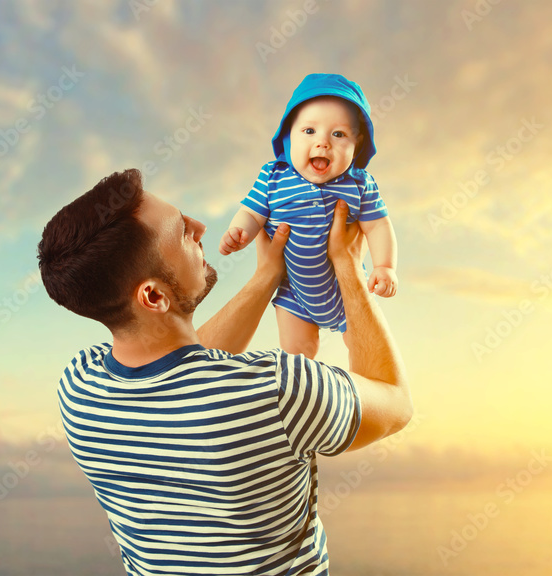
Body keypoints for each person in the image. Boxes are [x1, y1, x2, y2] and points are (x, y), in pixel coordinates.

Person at [37, 168, 411, 576]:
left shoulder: (79, 387)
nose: (199, 227)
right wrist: (347, 266)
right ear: (153, 295)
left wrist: (268, 277)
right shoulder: (280, 391)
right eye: (181, 232)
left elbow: (187, 366)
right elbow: (394, 400)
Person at [219, 73, 398, 359]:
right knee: (298, 356)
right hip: (294, 294)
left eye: (338, 134)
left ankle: (365, 398)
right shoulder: (273, 176)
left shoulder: (360, 183)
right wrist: (239, 232)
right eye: (309, 131)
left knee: (367, 350)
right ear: (289, 135)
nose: (322, 143)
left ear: (358, 142)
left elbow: (378, 225)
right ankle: (300, 388)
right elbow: (252, 213)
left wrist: (385, 266)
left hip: (347, 289)